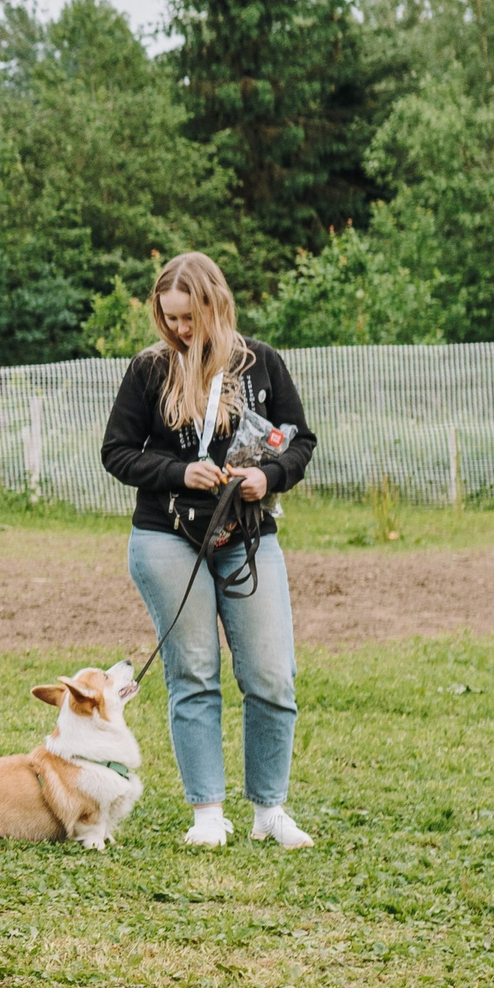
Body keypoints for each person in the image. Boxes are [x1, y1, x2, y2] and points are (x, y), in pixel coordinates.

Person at [101, 251, 318, 850]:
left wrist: (267, 478)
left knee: (272, 676)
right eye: (169, 318)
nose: (179, 330)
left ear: (215, 306)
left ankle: (269, 810)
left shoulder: (260, 362)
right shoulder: (150, 369)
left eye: (189, 318)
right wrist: (179, 472)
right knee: (193, 673)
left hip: (247, 537)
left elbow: (300, 441)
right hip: (166, 538)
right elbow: (117, 451)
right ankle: (207, 813)